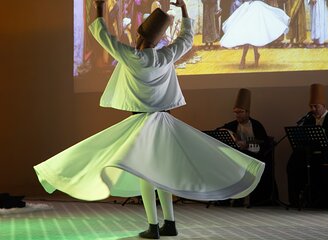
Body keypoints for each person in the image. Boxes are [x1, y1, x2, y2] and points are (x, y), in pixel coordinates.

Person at [34, 0, 265, 239]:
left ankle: (153, 226)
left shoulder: (133, 57)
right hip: (165, 123)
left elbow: (104, 36)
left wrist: (100, 8)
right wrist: (184, 10)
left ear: (141, 36)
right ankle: (170, 223)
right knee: (161, 171)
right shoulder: (166, 56)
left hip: (143, 124)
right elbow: (186, 40)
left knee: (147, 173)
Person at [287, 83, 328, 209]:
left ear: (324, 106)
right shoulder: (309, 119)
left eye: (316, 106)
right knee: (293, 162)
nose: (313, 109)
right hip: (311, 154)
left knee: (322, 162)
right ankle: (297, 200)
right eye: (311, 106)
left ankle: (323, 200)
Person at [217, 88, 274, 206]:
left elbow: (263, 144)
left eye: (240, 112)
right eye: (236, 112)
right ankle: (227, 198)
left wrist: (247, 144)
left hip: (255, 156)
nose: (237, 115)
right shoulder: (233, 124)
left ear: (247, 112)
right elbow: (218, 130)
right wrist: (228, 133)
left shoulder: (256, 125)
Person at [220, 0, 290, 68]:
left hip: (257, 8)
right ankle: (254, 56)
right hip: (248, 7)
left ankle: (244, 58)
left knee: (252, 33)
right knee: (250, 33)